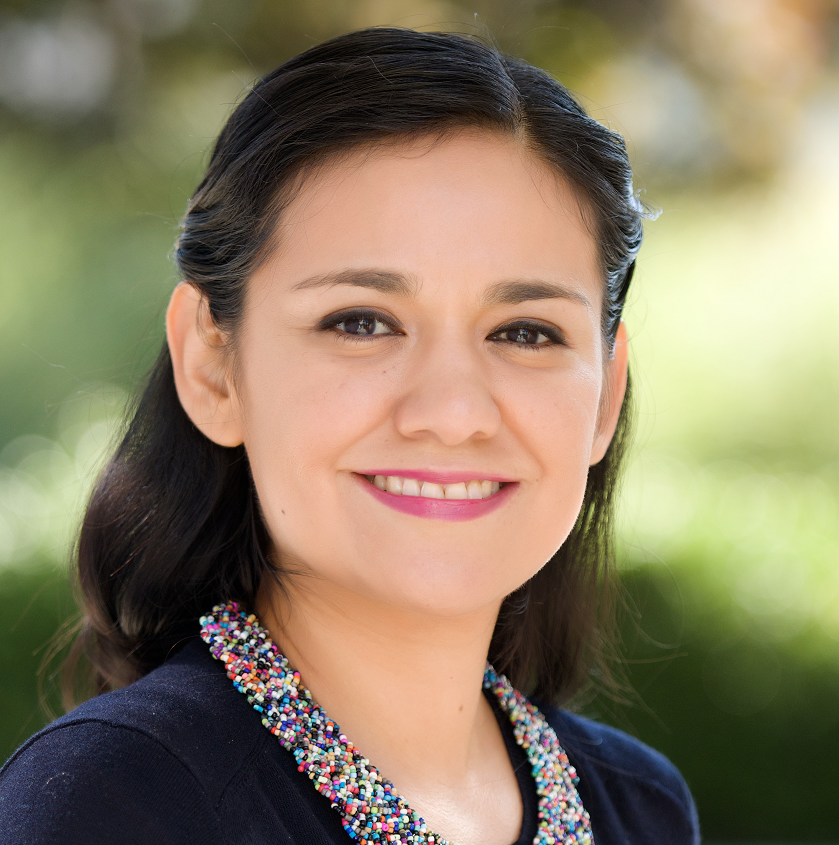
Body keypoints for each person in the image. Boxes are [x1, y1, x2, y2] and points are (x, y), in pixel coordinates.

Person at [0, 27, 699, 845]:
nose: (451, 411)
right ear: (213, 363)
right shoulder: (118, 801)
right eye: (361, 321)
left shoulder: (640, 807)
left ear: (605, 393)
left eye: (524, 331)